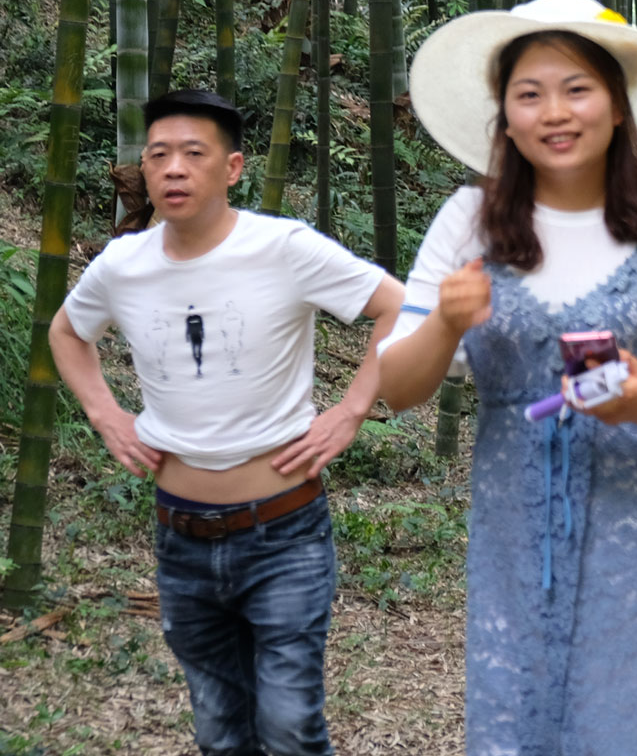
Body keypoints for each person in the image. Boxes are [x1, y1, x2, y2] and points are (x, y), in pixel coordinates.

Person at [376, 0, 637, 754]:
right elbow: (396, 386)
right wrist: (448, 322)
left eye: (577, 88)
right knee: (517, 727)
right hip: (512, 541)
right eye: (530, 93)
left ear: (618, 107)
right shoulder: (467, 224)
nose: (555, 111)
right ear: (505, 118)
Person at [50, 89, 404, 756]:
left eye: (193, 154)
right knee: (218, 728)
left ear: (233, 168)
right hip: (179, 533)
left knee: (290, 727)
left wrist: (353, 409)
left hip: (285, 531)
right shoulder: (123, 264)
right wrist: (107, 415)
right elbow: (68, 333)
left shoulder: (285, 248)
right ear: (145, 172)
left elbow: (398, 308)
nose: (174, 169)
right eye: (159, 156)